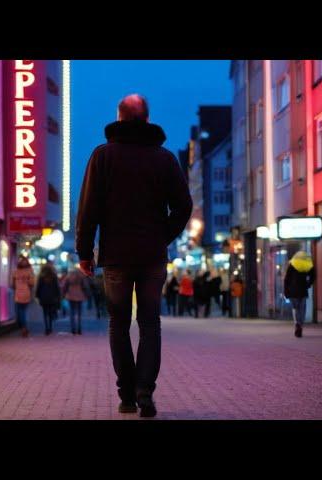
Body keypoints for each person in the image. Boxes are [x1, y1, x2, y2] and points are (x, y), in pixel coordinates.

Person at [75, 94, 192, 417]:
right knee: (150, 324)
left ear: (119, 117)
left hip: (115, 257)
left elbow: (88, 209)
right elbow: (184, 206)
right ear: (147, 118)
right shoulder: (165, 159)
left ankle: (126, 394)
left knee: (119, 323)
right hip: (153, 256)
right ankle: (146, 393)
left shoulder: (103, 156)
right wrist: (162, 236)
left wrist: (85, 251)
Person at [284, 251, 316, 338]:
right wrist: (308, 284)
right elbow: (313, 275)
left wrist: (286, 292)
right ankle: (300, 324)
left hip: (293, 290)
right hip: (303, 289)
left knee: (295, 308)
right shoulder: (307, 264)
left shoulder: (292, 264)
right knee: (302, 308)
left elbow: (286, 279)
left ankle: (297, 324)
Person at [12, 255, 35, 337]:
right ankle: (24, 327)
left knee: (20, 312)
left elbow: (12, 284)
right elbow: (32, 283)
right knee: (24, 311)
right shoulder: (30, 271)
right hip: (26, 293)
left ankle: (23, 327)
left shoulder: (16, 271)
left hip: (18, 293)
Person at [62, 266, 90, 335]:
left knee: (72, 312)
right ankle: (79, 328)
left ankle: (73, 329)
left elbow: (65, 286)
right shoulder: (81, 276)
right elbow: (85, 286)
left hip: (71, 295)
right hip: (80, 295)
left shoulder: (69, 276)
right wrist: (87, 294)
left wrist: (63, 294)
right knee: (79, 313)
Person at [35, 262, 61, 335]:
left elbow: (39, 287)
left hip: (43, 297)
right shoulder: (54, 276)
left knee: (45, 313)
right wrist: (58, 296)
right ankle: (50, 327)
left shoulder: (41, 277)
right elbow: (56, 287)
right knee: (50, 312)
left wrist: (37, 295)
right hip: (52, 297)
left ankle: (46, 328)